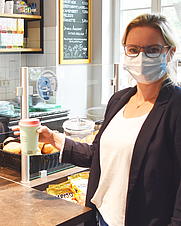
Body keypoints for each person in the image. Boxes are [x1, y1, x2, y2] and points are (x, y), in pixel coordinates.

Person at [15, 14, 181, 226]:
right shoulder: (120, 100)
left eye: (152, 49)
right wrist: (52, 138)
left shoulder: (176, 106)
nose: (141, 57)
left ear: (170, 52)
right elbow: (97, 154)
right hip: (103, 216)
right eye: (133, 49)